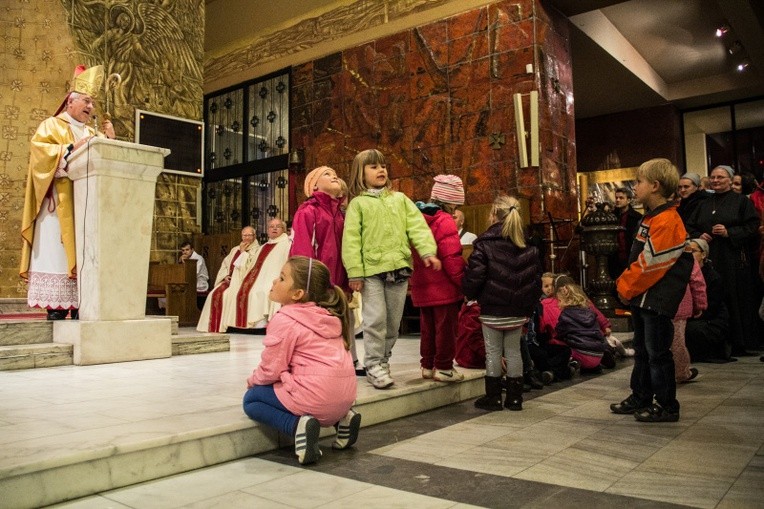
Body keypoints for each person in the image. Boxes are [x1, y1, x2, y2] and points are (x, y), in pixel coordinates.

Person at [20, 64, 116, 320]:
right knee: (56, 251)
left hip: (86, 207)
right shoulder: (51, 125)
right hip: (57, 206)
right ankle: (56, 306)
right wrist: (73, 147)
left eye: (93, 103)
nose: (90, 107)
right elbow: (40, 155)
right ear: (70, 102)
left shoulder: (93, 132)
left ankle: (79, 304)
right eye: (86, 101)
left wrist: (109, 140)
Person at [242, 257, 360, 465]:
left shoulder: (286, 318)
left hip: (316, 400)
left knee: (252, 399)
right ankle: (344, 420)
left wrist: (254, 380)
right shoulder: (330, 315)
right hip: (345, 398)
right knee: (295, 382)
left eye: (281, 278)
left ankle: (298, 427)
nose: (274, 282)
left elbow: (271, 369)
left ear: (297, 294)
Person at [342, 149, 441, 389]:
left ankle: (383, 360)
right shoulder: (358, 204)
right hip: (371, 271)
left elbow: (417, 227)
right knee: (375, 319)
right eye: (374, 167)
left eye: (383, 166)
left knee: (393, 322)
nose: (381, 170)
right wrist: (354, 272)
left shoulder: (400, 199)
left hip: (399, 268)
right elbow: (351, 239)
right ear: (360, 173)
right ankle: (373, 363)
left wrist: (427, 251)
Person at [611, 158, 694, 423]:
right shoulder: (652, 217)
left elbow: (652, 264)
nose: (634, 187)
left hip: (655, 297)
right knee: (643, 351)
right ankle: (641, 395)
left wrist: (624, 286)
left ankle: (667, 405)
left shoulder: (668, 220)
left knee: (658, 353)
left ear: (655, 186)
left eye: (638, 182)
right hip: (643, 296)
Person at [463, 195, 542, 411]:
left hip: (492, 309)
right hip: (517, 311)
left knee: (493, 352)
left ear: (493, 215)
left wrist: (468, 294)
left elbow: (475, 276)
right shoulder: (528, 245)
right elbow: (536, 281)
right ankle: (515, 399)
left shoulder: (484, 245)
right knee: (514, 351)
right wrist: (528, 306)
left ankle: (494, 398)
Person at [291, 166, 364, 373]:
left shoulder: (341, 214)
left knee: (346, 318)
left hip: (341, 279)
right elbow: (303, 249)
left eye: (335, 173)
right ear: (313, 185)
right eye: (327, 174)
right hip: (320, 282)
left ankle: (352, 359)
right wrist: (311, 282)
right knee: (321, 322)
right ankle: (320, 362)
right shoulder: (308, 211)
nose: (334, 176)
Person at [686, 165, 761, 355]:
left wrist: (730, 232)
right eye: (712, 177)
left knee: (734, 300)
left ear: (730, 180)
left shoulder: (741, 202)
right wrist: (699, 235)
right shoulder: (704, 203)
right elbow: (690, 226)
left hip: (733, 260)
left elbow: (753, 226)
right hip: (708, 260)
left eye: (720, 177)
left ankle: (738, 342)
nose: (715, 180)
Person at [411, 174, 466, 382]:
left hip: (422, 284)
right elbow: (451, 257)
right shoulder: (444, 220)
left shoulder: (418, 218)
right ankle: (443, 367)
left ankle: (427, 365)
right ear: (451, 201)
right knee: (446, 329)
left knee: (427, 328)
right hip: (443, 286)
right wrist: (463, 281)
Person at [228, 218, 292, 330]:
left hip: (275, 279)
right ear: (267, 230)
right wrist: (243, 254)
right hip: (259, 280)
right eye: (271, 227)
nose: (274, 228)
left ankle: (268, 321)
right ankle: (258, 322)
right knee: (252, 291)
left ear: (284, 229)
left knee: (265, 290)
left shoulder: (288, 244)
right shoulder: (263, 247)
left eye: (278, 226)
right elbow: (250, 266)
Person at [197, 227, 258, 332]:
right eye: (244, 235)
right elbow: (225, 264)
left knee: (228, 296)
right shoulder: (235, 249)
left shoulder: (257, 250)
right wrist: (225, 276)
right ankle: (214, 326)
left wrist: (243, 253)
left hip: (242, 282)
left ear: (254, 236)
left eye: (249, 235)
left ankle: (228, 325)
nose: (246, 238)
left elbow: (250, 268)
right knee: (213, 294)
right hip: (229, 280)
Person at [684, 239, 732, 362]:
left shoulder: (713, 277)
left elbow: (712, 307)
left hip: (712, 320)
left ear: (703, 254)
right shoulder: (684, 273)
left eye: (693, 251)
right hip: (694, 316)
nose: (689, 254)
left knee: (690, 329)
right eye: (687, 251)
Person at [554, 276, 610, 373]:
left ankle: (572, 366)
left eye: (559, 301)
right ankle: (598, 364)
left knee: (562, 347)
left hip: (580, 355)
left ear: (567, 300)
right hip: (598, 354)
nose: (558, 304)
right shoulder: (589, 311)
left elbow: (559, 333)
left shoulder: (566, 314)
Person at [672, 255, 706, 383]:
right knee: (677, 342)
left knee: (657, 342)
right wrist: (699, 304)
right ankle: (682, 372)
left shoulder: (654, 248)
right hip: (679, 302)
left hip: (656, 304)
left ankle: (656, 374)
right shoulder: (686, 254)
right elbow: (697, 281)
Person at [607, 187, 642, 282]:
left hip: (630, 256)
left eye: (621, 198)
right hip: (614, 258)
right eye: (616, 197)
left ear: (629, 200)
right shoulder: (611, 216)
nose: (617, 200)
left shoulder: (637, 217)